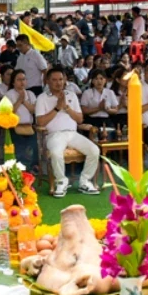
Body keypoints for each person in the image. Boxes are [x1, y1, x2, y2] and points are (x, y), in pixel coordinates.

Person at [35, 66, 100, 198]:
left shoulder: (71, 95)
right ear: (47, 81)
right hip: (54, 135)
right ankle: (61, 181)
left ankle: (85, 181)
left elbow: (80, 119)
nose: (58, 83)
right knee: (55, 152)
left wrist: (67, 108)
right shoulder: (42, 98)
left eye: (61, 79)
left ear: (65, 80)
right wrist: (57, 108)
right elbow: (40, 122)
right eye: (54, 80)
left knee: (94, 150)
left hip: (73, 133)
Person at [4, 70, 38, 170]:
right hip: (14, 127)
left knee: (35, 144)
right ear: (13, 82)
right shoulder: (9, 94)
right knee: (19, 149)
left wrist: (24, 100)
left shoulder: (30, 94)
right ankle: (19, 168)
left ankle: (34, 166)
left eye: (23, 79)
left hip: (29, 127)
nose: (22, 82)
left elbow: (33, 110)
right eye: (19, 80)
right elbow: (9, 112)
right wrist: (19, 100)